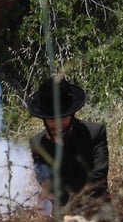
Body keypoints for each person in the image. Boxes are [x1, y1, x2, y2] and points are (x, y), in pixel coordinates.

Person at [27, 77, 109, 213]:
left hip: (97, 214)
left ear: (72, 114)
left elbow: (97, 179)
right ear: (44, 119)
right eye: (52, 119)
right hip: (60, 220)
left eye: (63, 118)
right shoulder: (38, 143)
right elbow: (48, 183)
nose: (58, 124)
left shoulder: (95, 133)